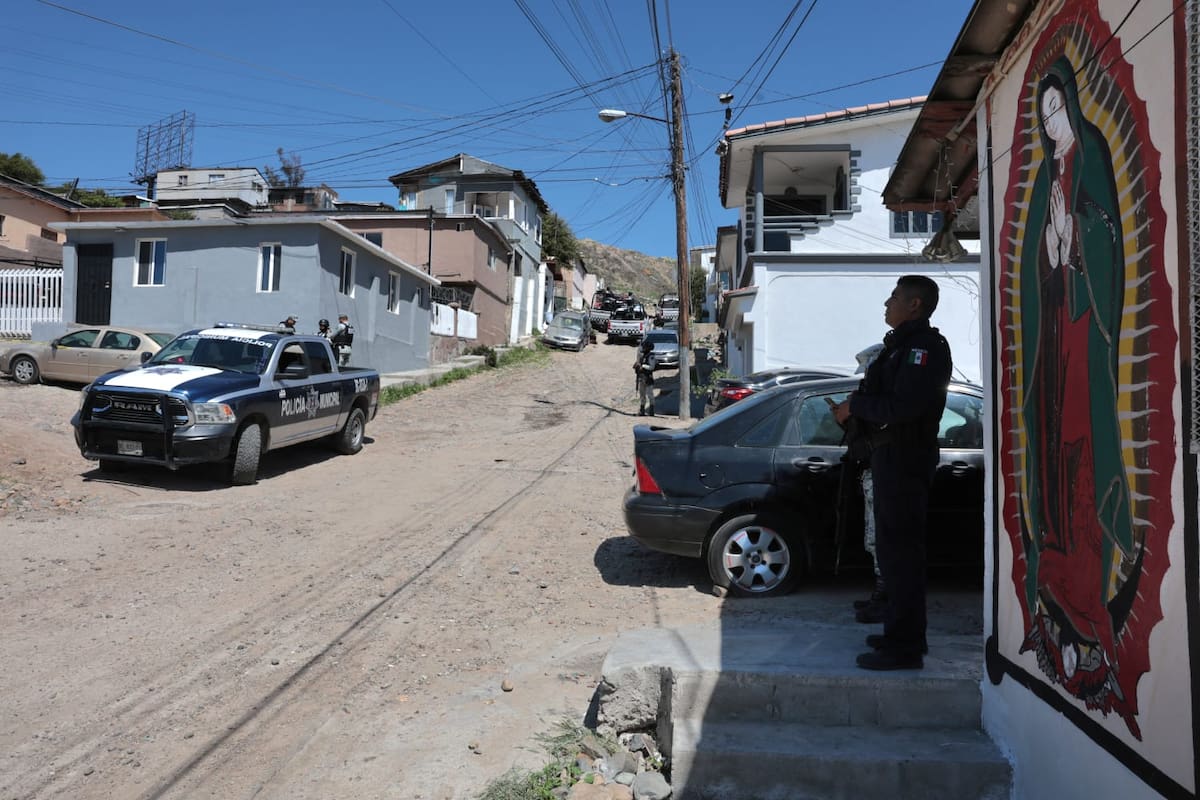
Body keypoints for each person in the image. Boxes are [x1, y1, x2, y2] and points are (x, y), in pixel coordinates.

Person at [832, 275, 952, 670]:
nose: (887, 303)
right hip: (889, 458)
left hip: (906, 458)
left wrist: (856, 407)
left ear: (915, 305)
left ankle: (906, 647)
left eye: (895, 297)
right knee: (891, 551)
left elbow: (903, 408)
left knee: (902, 554)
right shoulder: (899, 347)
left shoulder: (924, 348)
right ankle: (896, 633)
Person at [850, 342, 886, 623]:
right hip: (871, 471)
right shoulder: (871, 401)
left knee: (881, 542)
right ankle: (879, 596)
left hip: (882, 472)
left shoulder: (880, 403)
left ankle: (883, 599)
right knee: (873, 541)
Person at [634, 338, 656, 416]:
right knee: (642, 394)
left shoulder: (651, 356)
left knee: (650, 394)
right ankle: (642, 410)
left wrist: (642, 366)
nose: (643, 348)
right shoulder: (643, 356)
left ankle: (651, 410)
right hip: (642, 377)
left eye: (644, 347)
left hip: (648, 378)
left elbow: (651, 367)